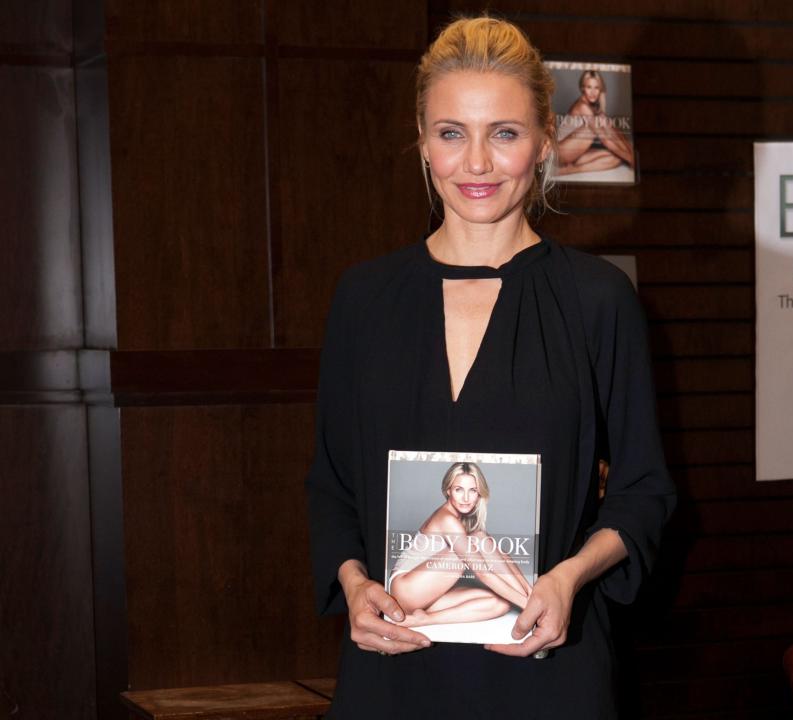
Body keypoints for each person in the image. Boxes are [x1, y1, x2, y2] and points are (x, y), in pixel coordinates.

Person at [305, 15, 675, 719]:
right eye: (452, 133)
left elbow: (644, 492)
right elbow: (331, 484)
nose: (476, 164)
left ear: (541, 143)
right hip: (394, 673)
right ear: (422, 141)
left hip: (546, 669)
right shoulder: (363, 298)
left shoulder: (600, 300)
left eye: (503, 133)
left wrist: (569, 578)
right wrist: (354, 585)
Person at [389, 461, 533, 628]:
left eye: (472, 490)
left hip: (422, 593)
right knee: (477, 540)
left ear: (479, 493)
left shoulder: (459, 520)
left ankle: (424, 619)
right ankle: (529, 605)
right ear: (448, 490)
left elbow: (501, 557)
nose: (466, 498)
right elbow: (483, 573)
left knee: (501, 603)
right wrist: (527, 605)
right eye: (459, 490)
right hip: (407, 589)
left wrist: (529, 592)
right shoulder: (447, 519)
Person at [556, 70, 636, 176]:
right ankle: (571, 170)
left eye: (596, 88)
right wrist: (630, 158)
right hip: (560, 153)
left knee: (617, 158)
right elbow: (605, 139)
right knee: (595, 127)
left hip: (574, 152)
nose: (593, 92)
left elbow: (613, 131)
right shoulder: (582, 107)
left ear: (600, 89)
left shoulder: (592, 106)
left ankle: (572, 168)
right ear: (582, 88)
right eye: (589, 87)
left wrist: (630, 153)